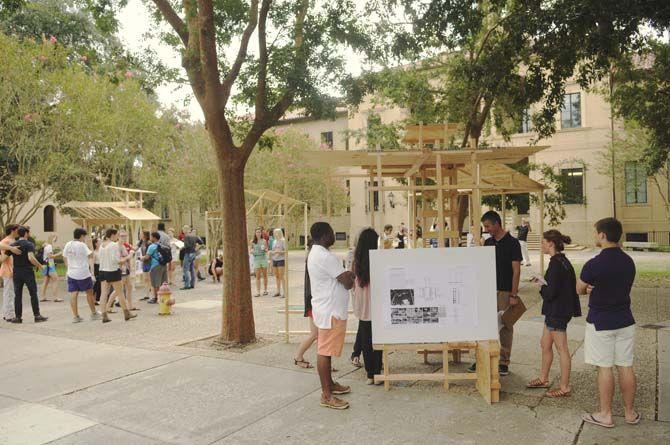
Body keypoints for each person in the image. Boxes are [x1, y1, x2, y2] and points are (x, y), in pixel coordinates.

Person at [577, 217, 640, 428]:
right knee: (626, 366)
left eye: (596, 233)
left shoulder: (594, 263)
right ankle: (630, 413)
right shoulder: (628, 261)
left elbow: (579, 288)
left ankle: (605, 414)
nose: (596, 236)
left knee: (605, 368)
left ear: (602, 235)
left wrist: (588, 288)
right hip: (625, 320)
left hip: (601, 322)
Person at [527, 230, 581, 397]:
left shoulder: (557, 264)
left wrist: (540, 285)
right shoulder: (562, 261)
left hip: (557, 311)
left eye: (543, 242)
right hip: (556, 310)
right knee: (545, 343)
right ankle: (544, 378)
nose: (542, 245)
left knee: (562, 349)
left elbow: (551, 292)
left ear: (550, 243)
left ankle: (564, 387)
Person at [307, 222, 355, 410]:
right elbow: (347, 283)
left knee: (325, 350)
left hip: (326, 309)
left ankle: (331, 385)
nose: (334, 235)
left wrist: (347, 274)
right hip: (330, 312)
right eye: (332, 232)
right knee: (325, 352)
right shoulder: (325, 256)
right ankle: (326, 395)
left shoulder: (316, 253)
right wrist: (351, 273)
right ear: (325, 235)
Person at [469, 210, 522, 376]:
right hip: (488, 290)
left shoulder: (513, 243)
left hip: (505, 291)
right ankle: (482, 358)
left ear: (497, 224)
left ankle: (504, 362)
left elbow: (516, 271)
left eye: (488, 226)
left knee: (505, 326)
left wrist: (513, 295)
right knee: (485, 325)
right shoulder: (489, 242)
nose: (486, 229)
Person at [352, 227, 384, 385]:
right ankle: (377, 372)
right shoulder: (379, 259)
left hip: (363, 305)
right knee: (378, 340)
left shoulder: (357, 260)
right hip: (377, 304)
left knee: (366, 340)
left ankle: (370, 374)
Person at [8, 227, 48, 323]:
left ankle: (18, 317)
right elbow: (31, 258)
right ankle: (37, 316)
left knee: (17, 295)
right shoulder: (29, 244)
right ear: (26, 233)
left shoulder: (13, 245)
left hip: (17, 271)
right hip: (27, 271)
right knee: (33, 293)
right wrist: (40, 266)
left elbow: (4, 257)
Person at [62, 228, 101, 323]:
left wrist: (68, 266)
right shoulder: (82, 245)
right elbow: (91, 255)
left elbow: (64, 256)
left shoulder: (68, 244)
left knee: (73, 293)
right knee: (89, 292)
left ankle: (76, 316)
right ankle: (94, 313)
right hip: (83, 273)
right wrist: (91, 245)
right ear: (82, 236)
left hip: (71, 273)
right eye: (84, 236)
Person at [98, 228, 136, 323]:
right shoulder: (114, 245)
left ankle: (104, 315)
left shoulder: (102, 246)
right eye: (117, 235)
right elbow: (117, 261)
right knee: (120, 292)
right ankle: (126, 313)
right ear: (112, 235)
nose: (118, 237)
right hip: (113, 271)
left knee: (103, 294)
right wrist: (129, 256)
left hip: (102, 271)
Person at [1, 224, 20, 321]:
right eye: (17, 229)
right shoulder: (6, 241)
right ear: (13, 230)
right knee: (9, 293)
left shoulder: (14, 241)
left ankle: (7, 313)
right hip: (8, 269)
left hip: (14, 269)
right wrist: (11, 249)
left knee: (11, 293)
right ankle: (8, 315)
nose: (19, 231)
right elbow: (3, 256)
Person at [143, 232, 168, 304]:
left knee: (156, 283)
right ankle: (163, 297)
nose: (150, 238)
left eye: (151, 236)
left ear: (154, 238)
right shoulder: (162, 245)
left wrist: (141, 258)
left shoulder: (152, 246)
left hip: (155, 266)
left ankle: (157, 298)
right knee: (163, 282)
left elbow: (147, 257)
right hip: (163, 265)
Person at [117, 230, 137, 311]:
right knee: (119, 289)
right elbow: (119, 259)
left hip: (126, 268)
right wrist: (130, 255)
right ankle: (108, 305)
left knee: (129, 287)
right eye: (122, 236)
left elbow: (133, 251)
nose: (124, 237)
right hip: (121, 269)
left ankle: (130, 305)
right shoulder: (117, 245)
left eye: (125, 236)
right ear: (118, 236)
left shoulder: (126, 245)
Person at [40, 234, 62, 302]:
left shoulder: (46, 246)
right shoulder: (49, 246)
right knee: (55, 280)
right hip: (50, 265)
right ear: (52, 238)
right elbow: (50, 256)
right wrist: (59, 253)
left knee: (45, 281)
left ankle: (42, 297)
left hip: (45, 265)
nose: (55, 240)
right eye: (55, 239)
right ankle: (56, 297)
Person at [250, 227, 269, 297]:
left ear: (261, 233)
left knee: (265, 275)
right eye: (257, 232)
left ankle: (265, 290)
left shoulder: (264, 241)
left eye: (259, 232)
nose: (258, 233)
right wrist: (252, 251)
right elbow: (251, 250)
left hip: (263, 258)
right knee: (257, 276)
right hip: (256, 259)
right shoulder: (252, 241)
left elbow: (267, 249)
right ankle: (258, 291)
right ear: (255, 233)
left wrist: (266, 249)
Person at [271, 228, 286, 298]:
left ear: (280, 233)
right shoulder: (274, 241)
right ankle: (278, 291)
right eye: (275, 233)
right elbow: (273, 249)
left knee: (281, 276)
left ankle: (285, 292)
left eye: (277, 233)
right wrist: (272, 252)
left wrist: (279, 252)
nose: (276, 234)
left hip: (281, 259)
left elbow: (285, 251)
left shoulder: (283, 241)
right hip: (274, 259)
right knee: (276, 276)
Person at [137, 231, 152, 298]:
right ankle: (147, 294)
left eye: (141, 234)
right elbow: (135, 248)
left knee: (149, 279)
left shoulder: (149, 243)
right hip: (144, 262)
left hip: (149, 262)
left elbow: (150, 254)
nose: (140, 235)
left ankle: (151, 294)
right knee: (145, 279)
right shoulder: (141, 242)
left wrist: (143, 257)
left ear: (145, 235)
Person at [92, 238, 102, 303]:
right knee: (96, 284)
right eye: (99, 241)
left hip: (102, 267)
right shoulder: (94, 252)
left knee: (100, 284)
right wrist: (92, 272)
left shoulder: (101, 250)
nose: (101, 242)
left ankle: (97, 299)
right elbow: (92, 263)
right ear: (96, 243)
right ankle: (93, 299)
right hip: (96, 268)